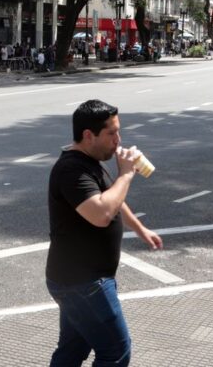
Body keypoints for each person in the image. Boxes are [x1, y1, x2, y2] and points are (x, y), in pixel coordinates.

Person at [46, 100, 163, 367]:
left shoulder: (92, 160)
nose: (118, 140)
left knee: (72, 349)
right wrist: (126, 175)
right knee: (116, 352)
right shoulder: (72, 170)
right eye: (111, 133)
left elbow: (114, 200)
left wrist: (140, 228)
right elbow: (101, 213)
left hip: (77, 280)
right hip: (83, 283)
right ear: (89, 135)